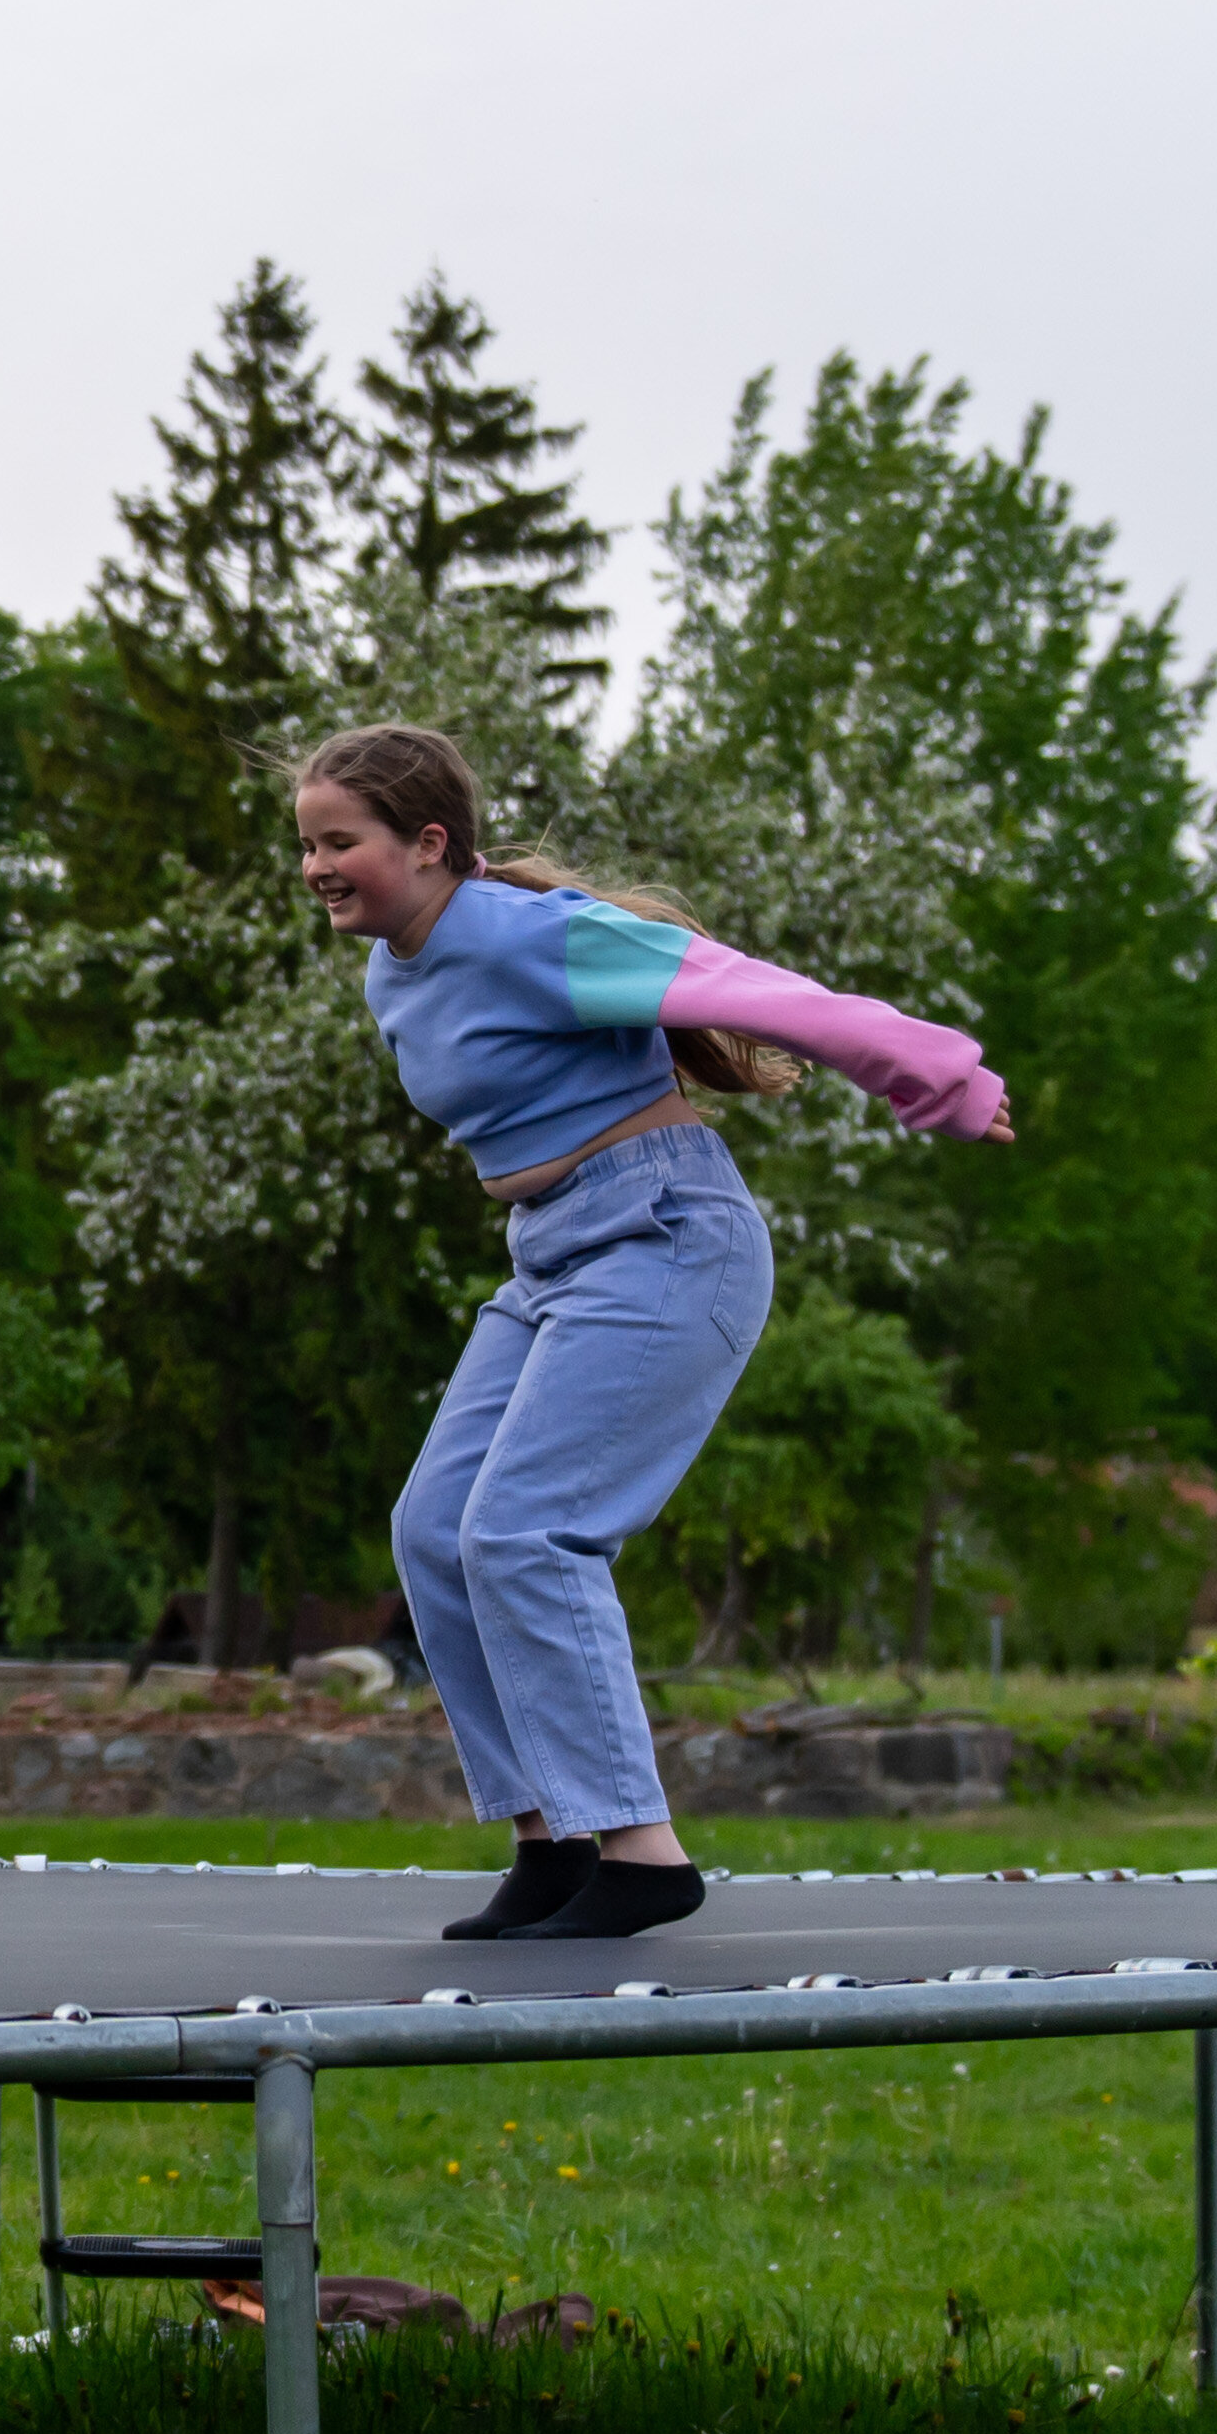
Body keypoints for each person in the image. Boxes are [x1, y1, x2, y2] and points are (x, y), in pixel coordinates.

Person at [292, 722, 1014, 1939]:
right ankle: (552, 1842)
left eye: (339, 841)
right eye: (307, 844)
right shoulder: (393, 971)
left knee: (525, 1527)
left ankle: (641, 1852)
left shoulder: (531, 935)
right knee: (436, 1530)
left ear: (427, 843)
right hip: (551, 1253)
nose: (316, 866)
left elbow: (755, 992)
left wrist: (930, 1077)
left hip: (665, 1234)